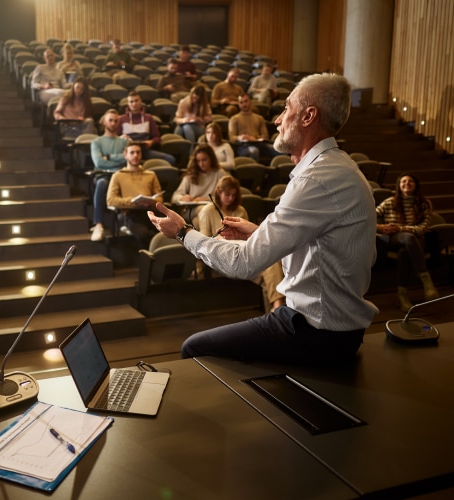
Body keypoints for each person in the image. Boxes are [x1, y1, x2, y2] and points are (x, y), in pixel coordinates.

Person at [148, 72, 379, 365]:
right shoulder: (340, 168)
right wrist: (258, 232)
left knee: (194, 348)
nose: (277, 119)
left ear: (308, 116)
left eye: (286, 109)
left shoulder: (317, 180)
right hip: (339, 328)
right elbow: (321, 247)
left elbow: (243, 264)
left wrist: (183, 232)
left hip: (317, 332)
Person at [199, 175, 285, 311]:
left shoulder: (240, 210)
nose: (231, 198)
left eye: (234, 195)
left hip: (243, 253)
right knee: (270, 266)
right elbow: (203, 242)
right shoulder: (208, 211)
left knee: (269, 266)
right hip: (221, 257)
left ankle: (274, 312)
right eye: (227, 194)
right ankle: (277, 309)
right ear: (218, 191)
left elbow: (248, 239)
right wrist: (218, 240)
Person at [376, 173, 439, 311]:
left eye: (410, 181)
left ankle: (402, 296)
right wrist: (381, 227)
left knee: (405, 252)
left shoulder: (424, 203)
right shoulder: (389, 202)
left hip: (417, 239)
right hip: (395, 238)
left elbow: (423, 227)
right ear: (399, 185)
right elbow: (370, 217)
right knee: (407, 238)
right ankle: (426, 282)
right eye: (403, 181)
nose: (407, 183)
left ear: (416, 185)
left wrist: (401, 227)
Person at [107, 143, 163, 249]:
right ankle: (150, 260)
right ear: (125, 155)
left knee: (169, 232)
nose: (135, 155)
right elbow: (111, 200)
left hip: (150, 211)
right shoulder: (118, 175)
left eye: (138, 152)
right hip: (131, 214)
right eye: (132, 152)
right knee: (144, 235)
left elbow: (160, 198)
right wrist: (133, 202)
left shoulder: (151, 174)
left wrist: (151, 202)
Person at [89, 109, 128, 241]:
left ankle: (127, 222)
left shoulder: (124, 142)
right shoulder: (97, 142)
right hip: (104, 175)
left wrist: (110, 157)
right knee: (102, 183)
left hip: (122, 175)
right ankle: (98, 224)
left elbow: (127, 159)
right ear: (104, 122)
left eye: (116, 120)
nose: (113, 123)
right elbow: (99, 163)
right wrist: (119, 158)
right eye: (110, 120)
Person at [171, 144, 225, 227]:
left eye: (204, 160)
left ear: (211, 159)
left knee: (196, 222)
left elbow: (226, 196)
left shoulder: (220, 173)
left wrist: (207, 199)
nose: (201, 164)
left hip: (214, 208)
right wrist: (182, 197)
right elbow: (174, 197)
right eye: (198, 161)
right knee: (206, 210)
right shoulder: (190, 175)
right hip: (192, 210)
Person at [118, 91, 175, 165]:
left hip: (144, 150)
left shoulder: (149, 118)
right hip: (129, 152)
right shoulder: (121, 119)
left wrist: (151, 142)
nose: (134, 104)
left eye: (136, 101)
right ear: (128, 104)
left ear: (141, 101)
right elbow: (114, 138)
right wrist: (120, 138)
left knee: (170, 159)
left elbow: (157, 137)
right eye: (131, 102)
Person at [228, 93, 280, 163]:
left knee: (279, 150)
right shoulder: (234, 119)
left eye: (246, 101)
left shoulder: (259, 118)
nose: (244, 104)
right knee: (254, 151)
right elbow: (231, 138)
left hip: (259, 144)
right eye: (241, 102)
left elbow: (265, 136)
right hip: (243, 146)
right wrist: (239, 137)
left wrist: (254, 138)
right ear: (238, 104)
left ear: (250, 101)